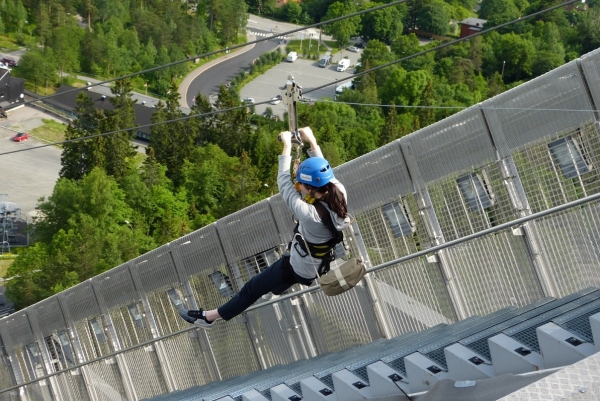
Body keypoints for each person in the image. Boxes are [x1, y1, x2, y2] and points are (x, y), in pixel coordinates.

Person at [179, 127, 351, 329]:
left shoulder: (308, 213)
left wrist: (287, 145)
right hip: (311, 261)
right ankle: (273, 287)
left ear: (312, 188)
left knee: (252, 288)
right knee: (272, 283)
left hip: (300, 266)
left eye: (301, 184)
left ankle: (208, 318)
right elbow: (323, 171)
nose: (298, 186)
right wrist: (311, 140)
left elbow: (284, 183)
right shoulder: (338, 192)